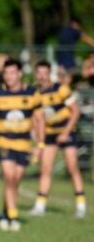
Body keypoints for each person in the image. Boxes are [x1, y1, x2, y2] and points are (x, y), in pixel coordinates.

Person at [0, 59, 44, 232]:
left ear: (20, 74)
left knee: (15, 181)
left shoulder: (32, 94)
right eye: (6, 73)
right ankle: (13, 217)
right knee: (9, 177)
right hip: (4, 142)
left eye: (12, 73)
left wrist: (40, 145)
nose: (8, 76)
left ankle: (5, 212)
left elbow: (39, 120)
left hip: (24, 144)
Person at [29, 60, 86, 218]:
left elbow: (76, 111)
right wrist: (37, 141)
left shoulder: (61, 89)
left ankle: (81, 206)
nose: (41, 76)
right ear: (35, 74)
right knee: (45, 169)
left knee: (72, 167)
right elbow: (36, 120)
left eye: (44, 73)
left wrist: (65, 132)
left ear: (49, 73)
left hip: (66, 131)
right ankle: (40, 206)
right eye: (39, 73)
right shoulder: (35, 94)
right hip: (49, 134)